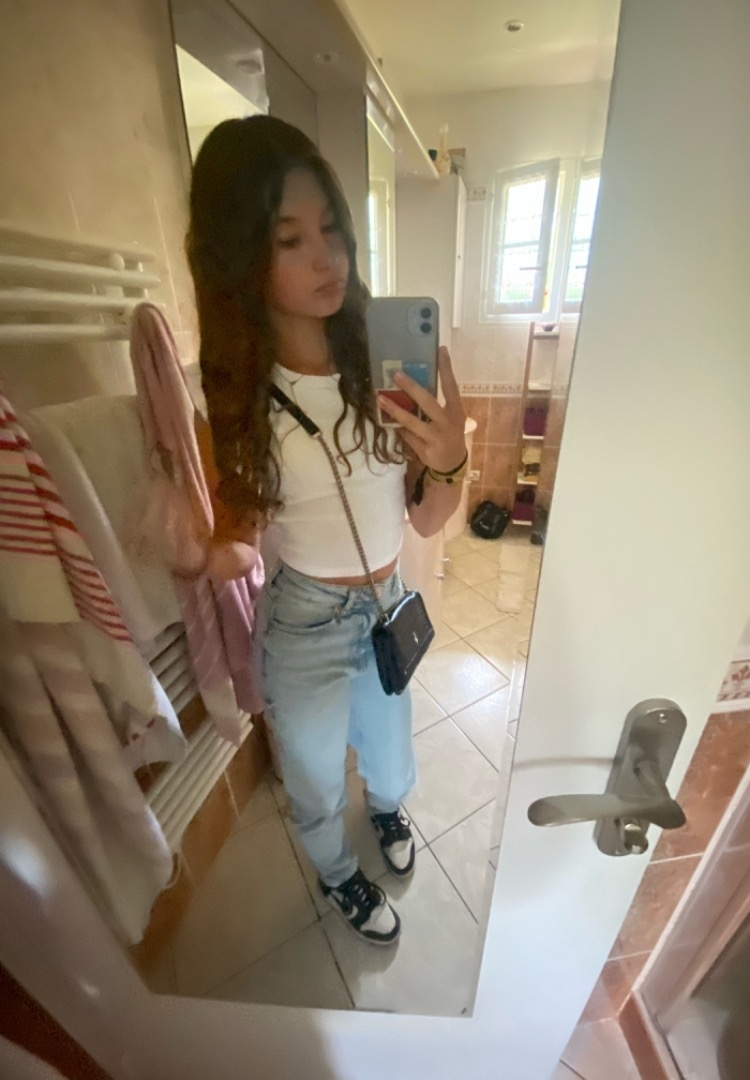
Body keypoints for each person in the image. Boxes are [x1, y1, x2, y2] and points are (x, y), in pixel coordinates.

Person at [186, 115, 467, 945]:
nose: (327, 256)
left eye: (332, 228)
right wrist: (198, 540)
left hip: (385, 596)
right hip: (303, 622)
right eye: (291, 239)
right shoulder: (234, 395)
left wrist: (451, 458)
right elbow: (236, 542)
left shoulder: (387, 364)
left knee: (391, 753)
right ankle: (340, 877)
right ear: (242, 257)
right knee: (311, 781)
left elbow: (427, 515)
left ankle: (386, 812)